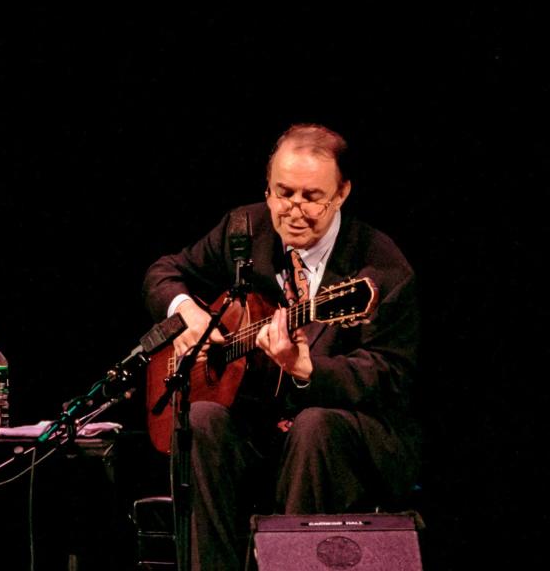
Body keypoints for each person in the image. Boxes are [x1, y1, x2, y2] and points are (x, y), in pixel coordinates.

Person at [142, 123, 420, 569]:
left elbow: (389, 376)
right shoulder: (243, 230)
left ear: (342, 193)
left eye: (312, 197)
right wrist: (187, 312)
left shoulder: (379, 265)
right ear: (268, 191)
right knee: (201, 419)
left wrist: (308, 371)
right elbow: (163, 273)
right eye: (283, 193)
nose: (294, 210)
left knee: (314, 425)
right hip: (260, 428)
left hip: (345, 438)